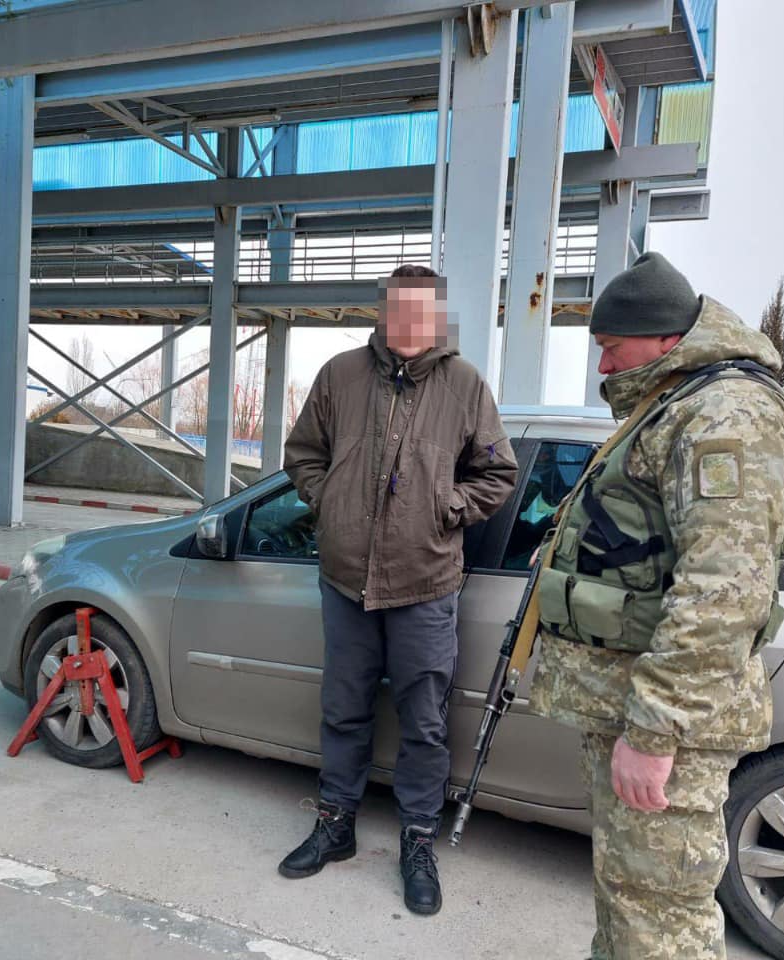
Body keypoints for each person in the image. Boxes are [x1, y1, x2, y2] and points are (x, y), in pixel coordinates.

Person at [529, 252, 784, 959]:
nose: (603, 366)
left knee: (660, 925)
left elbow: (722, 593)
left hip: (667, 724)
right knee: (634, 903)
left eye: (611, 348)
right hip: (636, 706)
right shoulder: (682, 402)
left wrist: (655, 732)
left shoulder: (727, 415)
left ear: (661, 339)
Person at [280, 263, 518, 915]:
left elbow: (499, 474)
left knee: (424, 724)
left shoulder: (465, 385)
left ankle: (417, 840)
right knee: (344, 709)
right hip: (346, 581)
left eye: (423, 311)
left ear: (438, 316)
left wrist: (449, 505)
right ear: (382, 311)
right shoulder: (340, 376)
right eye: (398, 309)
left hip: (425, 585)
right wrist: (328, 498)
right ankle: (336, 825)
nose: (410, 323)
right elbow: (302, 453)